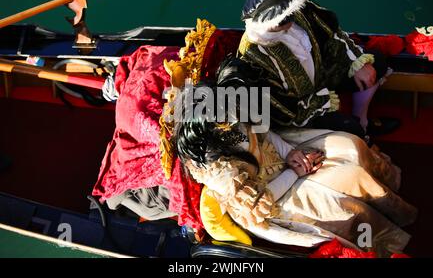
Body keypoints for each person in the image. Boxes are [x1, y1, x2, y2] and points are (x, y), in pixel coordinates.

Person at [174, 84, 417, 257]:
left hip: (281, 156)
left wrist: (292, 153)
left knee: (350, 146)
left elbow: (262, 133)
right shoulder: (221, 173)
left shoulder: (225, 116)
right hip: (271, 200)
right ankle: (384, 241)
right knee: (343, 193)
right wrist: (296, 171)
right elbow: (262, 201)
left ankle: (393, 202)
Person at [237, 0, 399, 139]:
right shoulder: (252, 55)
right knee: (350, 129)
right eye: (285, 18)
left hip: (322, 75)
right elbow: (278, 110)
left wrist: (356, 61)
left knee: (376, 62)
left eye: (292, 13)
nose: (292, 21)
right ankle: (358, 129)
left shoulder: (299, 11)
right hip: (301, 109)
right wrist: (320, 102)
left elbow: (333, 33)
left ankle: (363, 122)